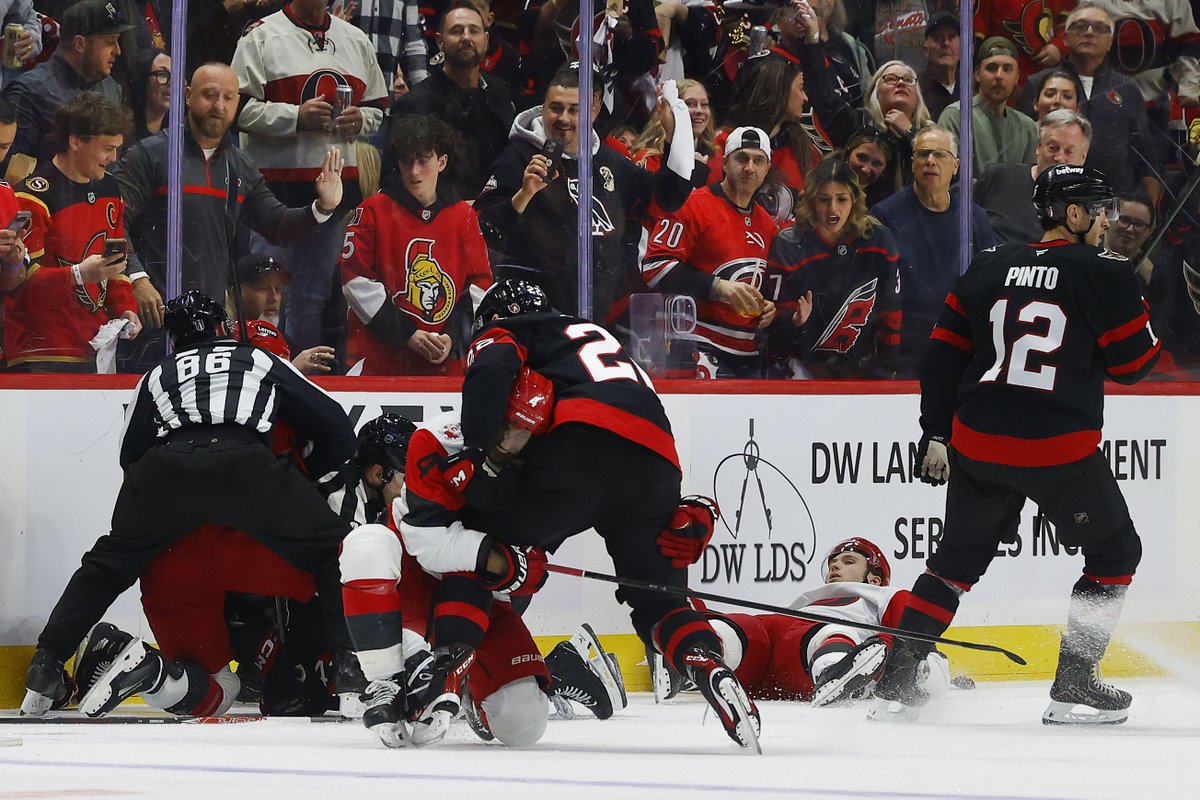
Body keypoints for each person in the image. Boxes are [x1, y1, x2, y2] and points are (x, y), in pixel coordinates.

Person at [884, 164, 1161, 726]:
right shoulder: (1106, 272)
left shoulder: (988, 265)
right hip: (1055, 447)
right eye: (1099, 209)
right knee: (1114, 554)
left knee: (954, 563)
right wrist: (1137, 304)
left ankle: (898, 677)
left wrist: (935, 432)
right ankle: (1075, 684)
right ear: (1074, 215)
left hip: (979, 443)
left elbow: (940, 358)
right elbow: (1133, 366)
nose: (1107, 220)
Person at [20, 290, 357, 716]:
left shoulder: (158, 373)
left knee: (108, 563)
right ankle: (349, 664)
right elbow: (337, 428)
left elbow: (131, 455)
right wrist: (294, 480)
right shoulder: (255, 358)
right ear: (221, 327)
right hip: (245, 465)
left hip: (166, 469)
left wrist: (163, 508)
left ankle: (47, 662)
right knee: (336, 552)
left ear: (173, 339)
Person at [457, 279, 761, 750]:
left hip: (578, 443)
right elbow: (637, 415)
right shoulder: (596, 335)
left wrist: (480, 454)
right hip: (657, 460)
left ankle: (474, 678)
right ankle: (704, 660)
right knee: (661, 602)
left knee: (481, 549)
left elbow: (494, 365)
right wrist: (686, 503)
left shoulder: (508, 330)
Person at [340, 407, 627, 747]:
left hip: (480, 611)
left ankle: (553, 670)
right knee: (366, 544)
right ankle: (386, 685)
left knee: (523, 725)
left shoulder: (533, 489)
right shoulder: (434, 462)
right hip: (417, 590)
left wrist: (515, 567)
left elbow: (524, 578)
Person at [113, 63, 345, 373]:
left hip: (208, 325)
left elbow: (276, 226)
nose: (218, 106)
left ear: (237, 103)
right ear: (187, 96)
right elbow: (112, 220)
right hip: (151, 321)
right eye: (209, 95)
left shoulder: (240, 166)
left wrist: (322, 207)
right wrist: (136, 278)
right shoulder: (150, 155)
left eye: (228, 97)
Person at [474, 64, 695, 324]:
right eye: (555, 108)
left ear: (593, 111)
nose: (564, 118)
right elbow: (483, 231)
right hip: (536, 318)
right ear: (542, 108)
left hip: (603, 319)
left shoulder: (611, 162)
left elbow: (665, 200)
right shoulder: (518, 157)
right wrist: (523, 195)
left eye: (574, 109)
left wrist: (674, 135)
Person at [231, 0, 389, 352]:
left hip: (334, 196)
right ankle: (262, 371)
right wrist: (295, 116)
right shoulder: (261, 36)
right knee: (267, 297)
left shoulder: (356, 39)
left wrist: (360, 120)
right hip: (271, 198)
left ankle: (308, 383)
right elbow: (237, 109)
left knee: (315, 298)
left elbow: (378, 107)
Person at [652, 538, 951, 706]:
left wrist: (922, 672)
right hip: (773, 639)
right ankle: (684, 659)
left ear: (873, 577)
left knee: (833, 632)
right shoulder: (810, 597)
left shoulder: (882, 595)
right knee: (742, 628)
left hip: (808, 657)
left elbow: (918, 645)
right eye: (833, 563)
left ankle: (834, 672)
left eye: (848, 562)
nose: (835, 567)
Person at [341, 114, 493, 376]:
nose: (414, 171)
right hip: (378, 362)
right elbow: (355, 279)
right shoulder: (372, 211)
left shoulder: (463, 216)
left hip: (446, 364)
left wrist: (453, 339)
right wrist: (407, 335)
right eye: (407, 161)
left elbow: (479, 285)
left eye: (423, 161)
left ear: (442, 162)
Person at [3, 92, 141, 372]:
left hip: (95, 348)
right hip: (40, 350)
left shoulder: (110, 190)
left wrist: (125, 309)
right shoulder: (33, 196)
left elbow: (114, 266)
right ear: (75, 141)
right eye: (106, 148)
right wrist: (78, 275)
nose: (113, 158)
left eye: (116, 148)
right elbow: (20, 284)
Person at [640, 126, 778, 379]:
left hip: (747, 354)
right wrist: (718, 287)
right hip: (696, 347)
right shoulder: (692, 204)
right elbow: (655, 268)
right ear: (725, 163)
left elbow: (759, 283)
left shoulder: (767, 224)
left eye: (758, 160)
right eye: (741, 158)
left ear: (767, 168)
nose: (750, 167)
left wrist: (769, 307)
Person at [870, 125, 996, 377]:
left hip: (960, 350)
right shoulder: (884, 216)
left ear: (956, 166)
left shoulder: (975, 218)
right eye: (923, 154)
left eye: (940, 155)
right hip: (903, 356)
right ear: (913, 163)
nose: (931, 161)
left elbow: (990, 284)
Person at [767, 157, 902, 379]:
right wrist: (793, 321)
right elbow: (773, 323)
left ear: (854, 201)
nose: (833, 209)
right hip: (802, 371)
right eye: (824, 199)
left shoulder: (878, 239)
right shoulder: (789, 243)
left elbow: (891, 313)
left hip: (861, 372)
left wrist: (886, 369)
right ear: (811, 201)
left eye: (841, 199)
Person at [1017, 2, 1157, 199]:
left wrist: (1148, 209)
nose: (1089, 32)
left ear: (1110, 41)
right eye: (1080, 26)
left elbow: (1147, 159)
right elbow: (1021, 146)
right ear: (1065, 38)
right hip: (1050, 200)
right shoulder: (1039, 83)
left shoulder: (1127, 90)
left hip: (1114, 205)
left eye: (1099, 28)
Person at [389, 0, 515, 202]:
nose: (466, 37)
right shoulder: (415, 104)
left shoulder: (501, 94)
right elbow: (395, 178)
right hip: (440, 219)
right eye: (456, 31)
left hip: (495, 215)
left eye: (473, 31)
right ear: (440, 41)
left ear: (486, 39)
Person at [2, 0, 130, 175]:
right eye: (110, 42)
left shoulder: (112, 89)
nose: (118, 50)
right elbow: (8, 172)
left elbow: (114, 164)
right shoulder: (30, 91)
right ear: (80, 44)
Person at [975, 109, 1092, 246]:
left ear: (1083, 157)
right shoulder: (998, 177)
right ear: (1038, 147)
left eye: (1069, 152)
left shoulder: (1087, 208)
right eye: (1052, 148)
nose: (1059, 158)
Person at [938, 36, 1037, 175]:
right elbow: (947, 178)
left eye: (1007, 69)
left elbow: (1029, 182)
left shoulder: (1027, 127)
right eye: (992, 68)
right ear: (977, 74)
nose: (999, 75)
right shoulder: (957, 116)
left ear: (1017, 77)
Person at [233, 253, 337, 375]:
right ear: (234, 293)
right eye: (263, 288)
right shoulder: (221, 344)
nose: (274, 298)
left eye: (278, 289)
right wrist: (292, 372)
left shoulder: (292, 348)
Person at [861, 60, 934, 188]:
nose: (900, 83)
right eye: (891, 79)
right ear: (875, 91)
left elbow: (952, 171)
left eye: (908, 80)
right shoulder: (861, 125)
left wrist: (910, 132)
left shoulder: (932, 134)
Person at [841, 126, 900, 207]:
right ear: (848, 154)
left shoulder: (885, 208)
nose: (866, 169)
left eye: (876, 164)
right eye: (861, 157)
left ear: (885, 170)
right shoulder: (822, 182)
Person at [917, 11, 959, 122]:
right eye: (937, 37)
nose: (945, 43)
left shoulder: (972, 89)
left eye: (952, 37)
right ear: (926, 49)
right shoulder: (915, 89)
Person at [126, 47, 169, 144]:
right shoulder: (123, 131)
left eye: (176, 76)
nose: (172, 83)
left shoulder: (181, 133)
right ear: (143, 79)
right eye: (163, 74)